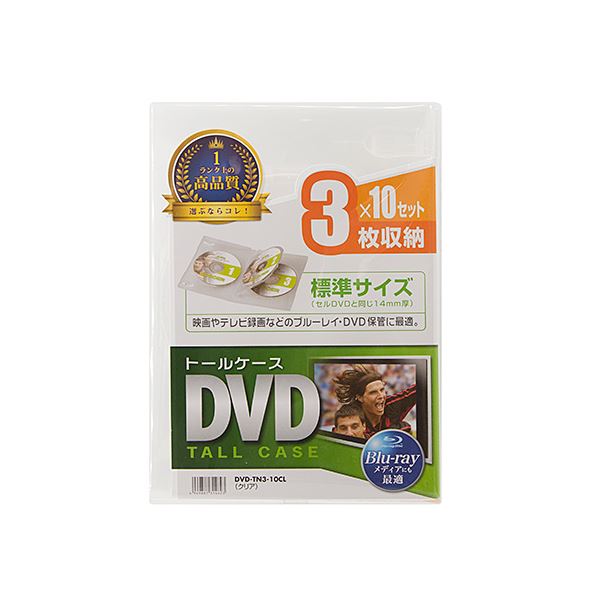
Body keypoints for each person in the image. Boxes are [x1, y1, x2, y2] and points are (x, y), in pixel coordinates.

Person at [333, 364, 416, 439]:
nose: (381, 396)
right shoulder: (352, 416)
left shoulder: (391, 405)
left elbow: (417, 390)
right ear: (360, 397)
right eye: (373, 392)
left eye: (382, 390)